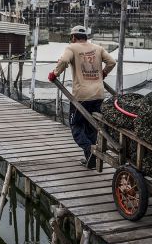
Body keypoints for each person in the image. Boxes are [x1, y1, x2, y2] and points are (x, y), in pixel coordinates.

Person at [48, 25, 116, 169]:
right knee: (92, 127)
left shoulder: (71, 48)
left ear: (73, 37)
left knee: (76, 125)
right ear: (85, 36)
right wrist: (103, 73)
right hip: (98, 94)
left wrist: (55, 74)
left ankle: (89, 150)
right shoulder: (97, 48)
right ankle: (91, 159)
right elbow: (112, 62)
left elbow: (64, 61)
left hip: (82, 96)